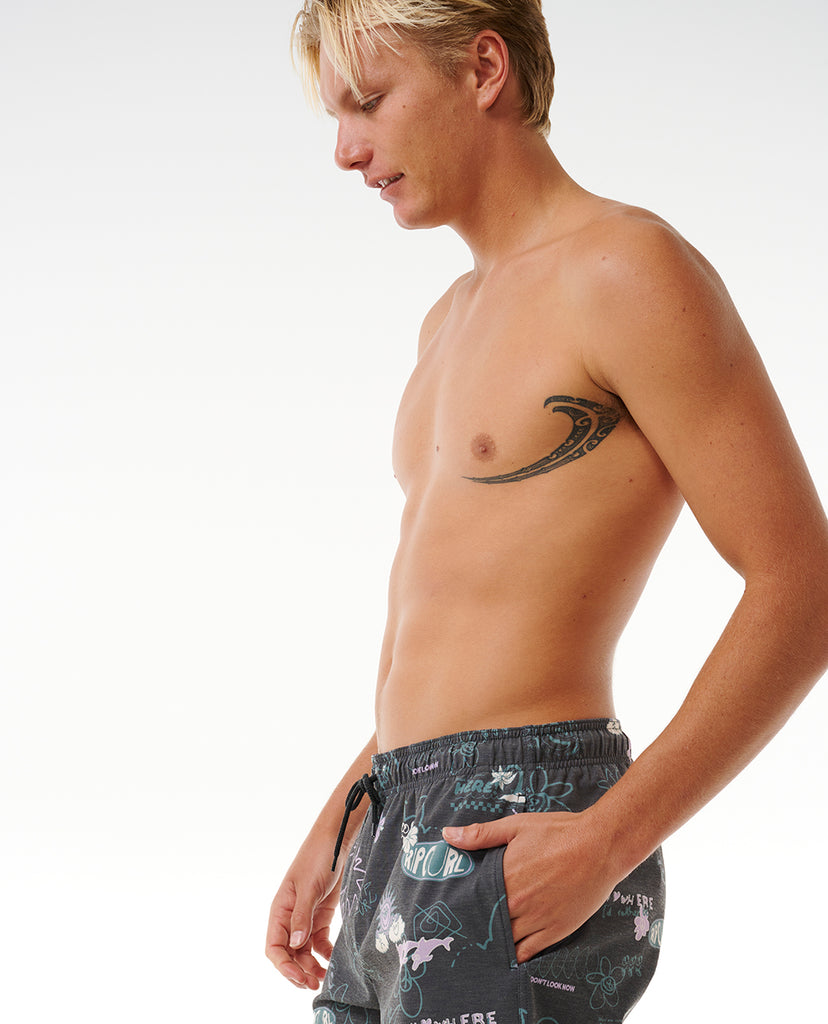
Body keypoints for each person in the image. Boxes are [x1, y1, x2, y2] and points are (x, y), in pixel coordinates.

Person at [267, 2, 828, 1021]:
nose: (345, 149)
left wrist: (610, 838)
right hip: (395, 816)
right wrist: (343, 820)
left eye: (370, 102)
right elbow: (452, 624)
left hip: (522, 817)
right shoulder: (445, 323)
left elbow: (806, 584)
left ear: (484, 69)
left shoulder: (624, 270)